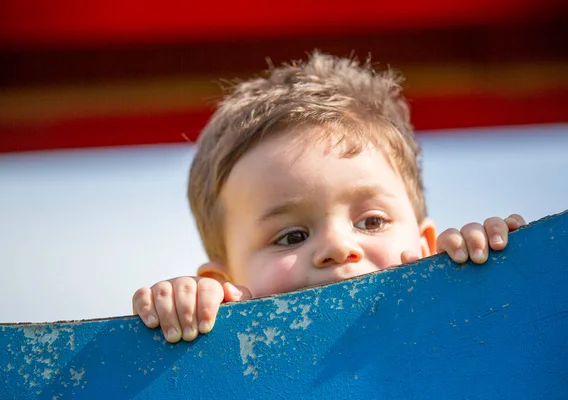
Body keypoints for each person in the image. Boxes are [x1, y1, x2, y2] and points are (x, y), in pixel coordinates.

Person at [132, 51, 526, 343]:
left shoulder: (461, 329)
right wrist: (188, 312)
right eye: (291, 236)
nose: (338, 247)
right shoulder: (218, 336)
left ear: (425, 247)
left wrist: (498, 269)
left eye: (371, 222)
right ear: (227, 284)